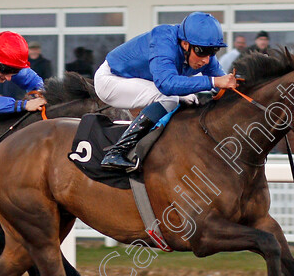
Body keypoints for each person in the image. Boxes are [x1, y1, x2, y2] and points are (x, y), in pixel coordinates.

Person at [95, 12, 235, 171]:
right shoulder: (163, 40)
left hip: (141, 81)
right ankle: (116, 152)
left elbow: (222, 84)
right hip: (111, 80)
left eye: (212, 52)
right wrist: (213, 81)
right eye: (201, 52)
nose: (206, 60)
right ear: (185, 44)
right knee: (169, 98)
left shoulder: (201, 52)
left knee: (189, 99)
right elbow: (166, 85)